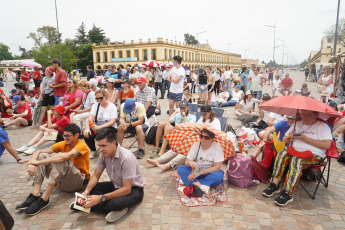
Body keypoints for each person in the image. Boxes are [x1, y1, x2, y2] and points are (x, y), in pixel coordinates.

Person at [16, 124, 90, 215]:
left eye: (68, 136)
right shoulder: (64, 143)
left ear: (77, 135)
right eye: (64, 135)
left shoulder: (81, 145)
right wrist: (32, 162)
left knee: (61, 160)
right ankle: (36, 194)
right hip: (62, 182)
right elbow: (38, 151)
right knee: (42, 156)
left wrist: (38, 163)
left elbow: (65, 156)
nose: (65, 138)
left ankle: (44, 199)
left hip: (77, 182)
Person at [262, 110, 332, 206]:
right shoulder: (297, 123)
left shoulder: (322, 126)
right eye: (303, 115)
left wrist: (305, 139)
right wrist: (289, 137)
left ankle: (288, 192)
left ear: (316, 115)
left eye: (308, 115)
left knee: (297, 160)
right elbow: (284, 140)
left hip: (314, 155)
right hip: (295, 151)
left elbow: (327, 145)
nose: (305, 118)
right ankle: (275, 184)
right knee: (282, 154)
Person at [75, 127, 144, 223]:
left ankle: (115, 207)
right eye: (99, 146)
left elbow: (127, 189)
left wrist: (100, 198)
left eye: (103, 145)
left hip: (133, 189)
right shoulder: (103, 155)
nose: (101, 149)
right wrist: (86, 192)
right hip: (116, 185)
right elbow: (95, 176)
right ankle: (105, 206)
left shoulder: (126, 158)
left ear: (113, 143)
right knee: (87, 186)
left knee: (117, 203)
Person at [177, 128, 224, 195]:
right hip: (197, 170)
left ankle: (189, 181)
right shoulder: (196, 145)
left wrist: (200, 172)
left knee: (217, 177)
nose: (203, 139)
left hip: (210, 171)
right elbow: (186, 161)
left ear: (212, 138)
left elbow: (216, 167)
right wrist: (190, 162)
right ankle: (201, 186)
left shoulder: (217, 147)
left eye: (206, 137)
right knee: (181, 168)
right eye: (201, 136)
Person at [84, 89, 117, 158]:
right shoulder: (96, 106)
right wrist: (87, 128)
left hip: (109, 126)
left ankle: (105, 150)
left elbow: (112, 121)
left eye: (100, 98)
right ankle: (93, 150)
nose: (99, 100)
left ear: (105, 97)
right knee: (87, 134)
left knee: (101, 133)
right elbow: (90, 118)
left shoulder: (112, 106)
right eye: (97, 98)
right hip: (97, 125)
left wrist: (99, 127)